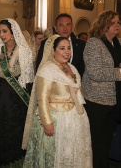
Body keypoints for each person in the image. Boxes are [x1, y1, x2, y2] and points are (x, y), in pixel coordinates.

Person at [22, 35, 92, 168]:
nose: (67, 52)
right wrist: (47, 122)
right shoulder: (47, 70)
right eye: (62, 48)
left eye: (68, 48)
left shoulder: (73, 68)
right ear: (53, 51)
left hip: (75, 118)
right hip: (55, 118)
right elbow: (42, 98)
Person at [0, 18, 34, 167]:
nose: (1, 34)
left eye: (4, 31)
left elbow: (29, 80)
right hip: (0, 98)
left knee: (16, 133)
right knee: (1, 131)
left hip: (18, 100)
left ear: (13, 32)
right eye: (0, 31)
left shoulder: (24, 51)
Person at [81, 10, 121, 168]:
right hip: (96, 101)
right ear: (104, 24)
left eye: (118, 22)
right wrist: (119, 72)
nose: (117, 25)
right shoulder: (94, 43)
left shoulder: (116, 42)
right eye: (113, 22)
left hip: (113, 100)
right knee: (95, 142)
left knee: (106, 141)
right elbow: (95, 72)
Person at [36, 13, 86, 78]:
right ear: (56, 28)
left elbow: (83, 69)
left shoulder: (81, 45)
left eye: (68, 24)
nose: (65, 28)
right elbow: (40, 67)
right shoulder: (47, 44)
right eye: (61, 25)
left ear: (72, 27)